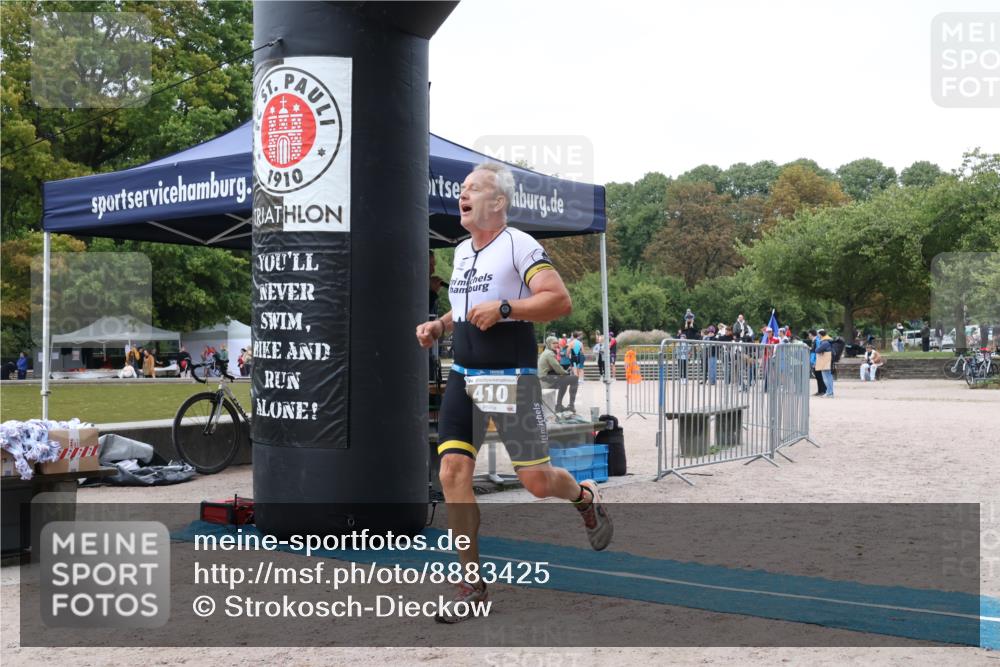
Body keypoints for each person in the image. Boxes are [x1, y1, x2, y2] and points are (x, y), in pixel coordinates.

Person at [414, 163, 612, 623]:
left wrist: (506, 308)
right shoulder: (462, 251)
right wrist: (438, 325)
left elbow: (559, 300)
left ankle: (584, 496)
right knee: (452, 473)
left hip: (510, 379)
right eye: (462, 190)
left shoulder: (519, 244)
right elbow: (462, 309)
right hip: (464, 376)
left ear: (498, 202)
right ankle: (471, 583)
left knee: (538, 484)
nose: (463, 195)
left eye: (474, 189)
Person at [538, 335, 579, 412]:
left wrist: (564, 373)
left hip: (545, 377)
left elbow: (556, 367)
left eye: (557, 343)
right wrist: (565, 373)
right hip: (546, 379)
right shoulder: (549, 353)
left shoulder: (546, 352)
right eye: (554, 343)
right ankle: (571, 405)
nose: (556, 345)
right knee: (574, 379)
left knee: (564, 381)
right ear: (549, 343)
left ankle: (559, 405)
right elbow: (557, 367)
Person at [806, 330, 827, 396]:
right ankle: (820, 391)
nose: (808, 336)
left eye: (809, 334)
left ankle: (823, 390)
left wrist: (815, 361)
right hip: (814, 361)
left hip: (817, 361)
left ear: (811, 334)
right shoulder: (814, 341)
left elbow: (818, 351)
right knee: (818, 376)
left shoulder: (817, 341)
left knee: (819, 376)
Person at [815, 329, 834, 397]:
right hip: (828, 361)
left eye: (818, 334)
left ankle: (829, 392)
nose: (817, 336)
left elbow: (817, 350)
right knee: (829, 377)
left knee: (827, 377)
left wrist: (817, 349)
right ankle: (829, 392)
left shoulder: (825, 342)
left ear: (820, 334)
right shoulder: (828, 340)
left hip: (826, 361)